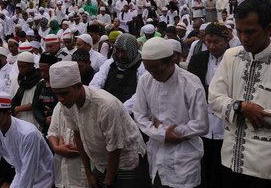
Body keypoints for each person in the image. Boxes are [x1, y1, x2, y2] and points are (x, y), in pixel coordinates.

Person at [209, 0, 271, 188]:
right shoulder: (232, 56)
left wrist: (256, 113)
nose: (244, 38)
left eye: (250, 32)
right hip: (229, 160)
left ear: (269, 28)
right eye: (239, 31)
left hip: (266, 168)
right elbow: (214, 98)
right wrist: (240, 107)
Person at [50, 60, 149, 188]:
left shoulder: (105, 105)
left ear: (79, 86)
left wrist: (108, 182)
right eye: (57, 94)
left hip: (126, 160)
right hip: (101, 162)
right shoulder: (66, 103)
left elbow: (115, 147)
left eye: (64, 93)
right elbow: (77, 134)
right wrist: (88, 173)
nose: (61, 99)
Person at [133, 37, 209, 187]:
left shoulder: (190, 82)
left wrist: (175, 131)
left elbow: (201, 125)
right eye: (149, 70)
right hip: (156, 157)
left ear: (171, 62)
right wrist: (162, 134)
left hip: (184, 159)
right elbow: (139, 116)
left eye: (157, 70)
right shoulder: (145, 80)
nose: (153, 75)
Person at [0, 91, 54, 188]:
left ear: (8, 113)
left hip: (44, 177)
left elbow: (29, 171)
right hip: (20, 174)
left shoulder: (28, 133)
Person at [187, 22, 229, 188]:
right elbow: (191, 87)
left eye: (216, 42)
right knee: (204, 166)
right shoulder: (198, 60)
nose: (211, 46)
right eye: (208, 42)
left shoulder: (233, 60)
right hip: (203, 120)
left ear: (226, 41)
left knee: (222, 167)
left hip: (225, 123)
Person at [89, 33, 146, 112]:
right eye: (118, 51)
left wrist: (121, 110)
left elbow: (141, 94)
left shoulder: (142, 66)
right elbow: (94, 85)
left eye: (124, 52)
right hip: (107, 110)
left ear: (132, 50)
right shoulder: (109, 63)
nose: (120, 55)